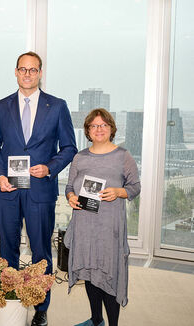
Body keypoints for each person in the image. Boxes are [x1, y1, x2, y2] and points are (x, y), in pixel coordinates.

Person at [0, 51, 77, 326]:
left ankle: (40, 306)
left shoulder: (57, 106)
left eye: (33, 70)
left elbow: (69, 147)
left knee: (40, 251)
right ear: (15, 72)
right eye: (23, 69)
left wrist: (49, 167)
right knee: (7, 249)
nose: (27, 74)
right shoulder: (1, 106)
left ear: (40, 73)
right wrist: (0, 175)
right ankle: (6, 299)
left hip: (40, 190)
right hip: (8, 190)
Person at [64, 108, 141, 326]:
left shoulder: (122, 156)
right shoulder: (79, 157)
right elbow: (69, 186)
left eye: (104, 125)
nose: (99, 129)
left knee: (108, 274)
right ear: (88, 130)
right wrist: (70, 196)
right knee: (89, 271)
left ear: (111, 129)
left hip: (109, 228)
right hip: (84, 224)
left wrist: (118, 192)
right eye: (94, 126)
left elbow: (135, 187)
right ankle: (96, 320)